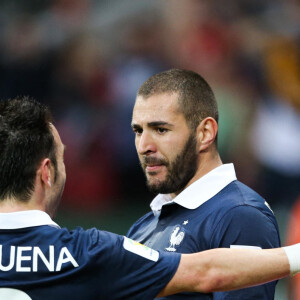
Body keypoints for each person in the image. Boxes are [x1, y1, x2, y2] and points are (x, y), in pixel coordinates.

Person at [0, 97, 298, 300]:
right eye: (62, 159)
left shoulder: (240, 213)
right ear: (47, 173)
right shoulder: (89, 252)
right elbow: (208, 272)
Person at [128, 68, 281, 299]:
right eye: (138, 131)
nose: (144, 146)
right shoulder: (143, 227)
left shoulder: (240, 216)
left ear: (205, 133)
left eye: (160, 129)